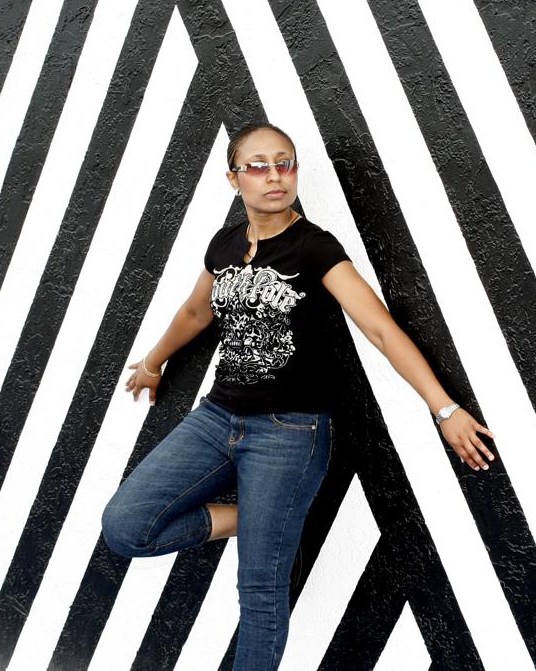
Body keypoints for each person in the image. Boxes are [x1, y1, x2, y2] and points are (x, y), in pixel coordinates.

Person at [100, 122, 494, 670]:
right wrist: (152, 361)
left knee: (260, 591)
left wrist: (444, 408)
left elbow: (380, 328)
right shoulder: (225, 244)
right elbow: (196, 311)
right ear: (234, 178)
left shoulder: (314, 247)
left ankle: (270, 519)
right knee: (126, 526)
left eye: (284, 163)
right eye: (258, 166)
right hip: (217, 418)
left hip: (289, 433)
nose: (274, 176)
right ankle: (258, 517)